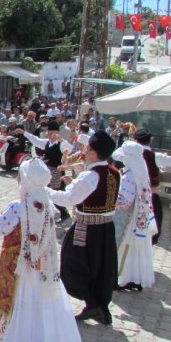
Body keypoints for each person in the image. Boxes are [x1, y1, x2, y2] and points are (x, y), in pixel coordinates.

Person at [0, 159, 81, 342]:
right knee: (36, 304)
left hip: (18, 267)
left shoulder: (19, 207)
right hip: (41, 266)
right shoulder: (48, 205)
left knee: (20, 303)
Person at [48, 131, 120, 325]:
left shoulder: (90, 175)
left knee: (73, 265)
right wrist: (74, 183)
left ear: (94, 153)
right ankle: (99, 307)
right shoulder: (114, 171)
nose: (83, 151)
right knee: (100, 268)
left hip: (87, 227)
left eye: (87, 148)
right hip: (106, 228)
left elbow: (68, 199)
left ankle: (94, 305)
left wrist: (43, 190)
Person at [112, 141, 158, 292]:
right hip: (136, 217)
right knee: (134, 249)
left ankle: (125, 277)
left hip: (127, 218)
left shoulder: (130, 176)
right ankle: (134, 278)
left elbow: (123, 201)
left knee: (124, 247)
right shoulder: (139, 172)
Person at [133, 129, 171, 245]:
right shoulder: (155, 156)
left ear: (135, 140)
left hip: (133, 196)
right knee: (150, 229)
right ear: (150, 140)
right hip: (150, 197)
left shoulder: (128, 155)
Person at [24, 120, 73, 223]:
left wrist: (60, 139)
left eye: (53, 133)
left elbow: (70, 149)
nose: (51, 135)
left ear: (58, 133)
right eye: (50, 133)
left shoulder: (61, 144)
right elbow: (36, 140)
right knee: (45, 193)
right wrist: (24, 133)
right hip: (47, 173)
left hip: (57, 172)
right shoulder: (46, 143)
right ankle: (50, 213)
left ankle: (64, 213)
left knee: (56, 194)